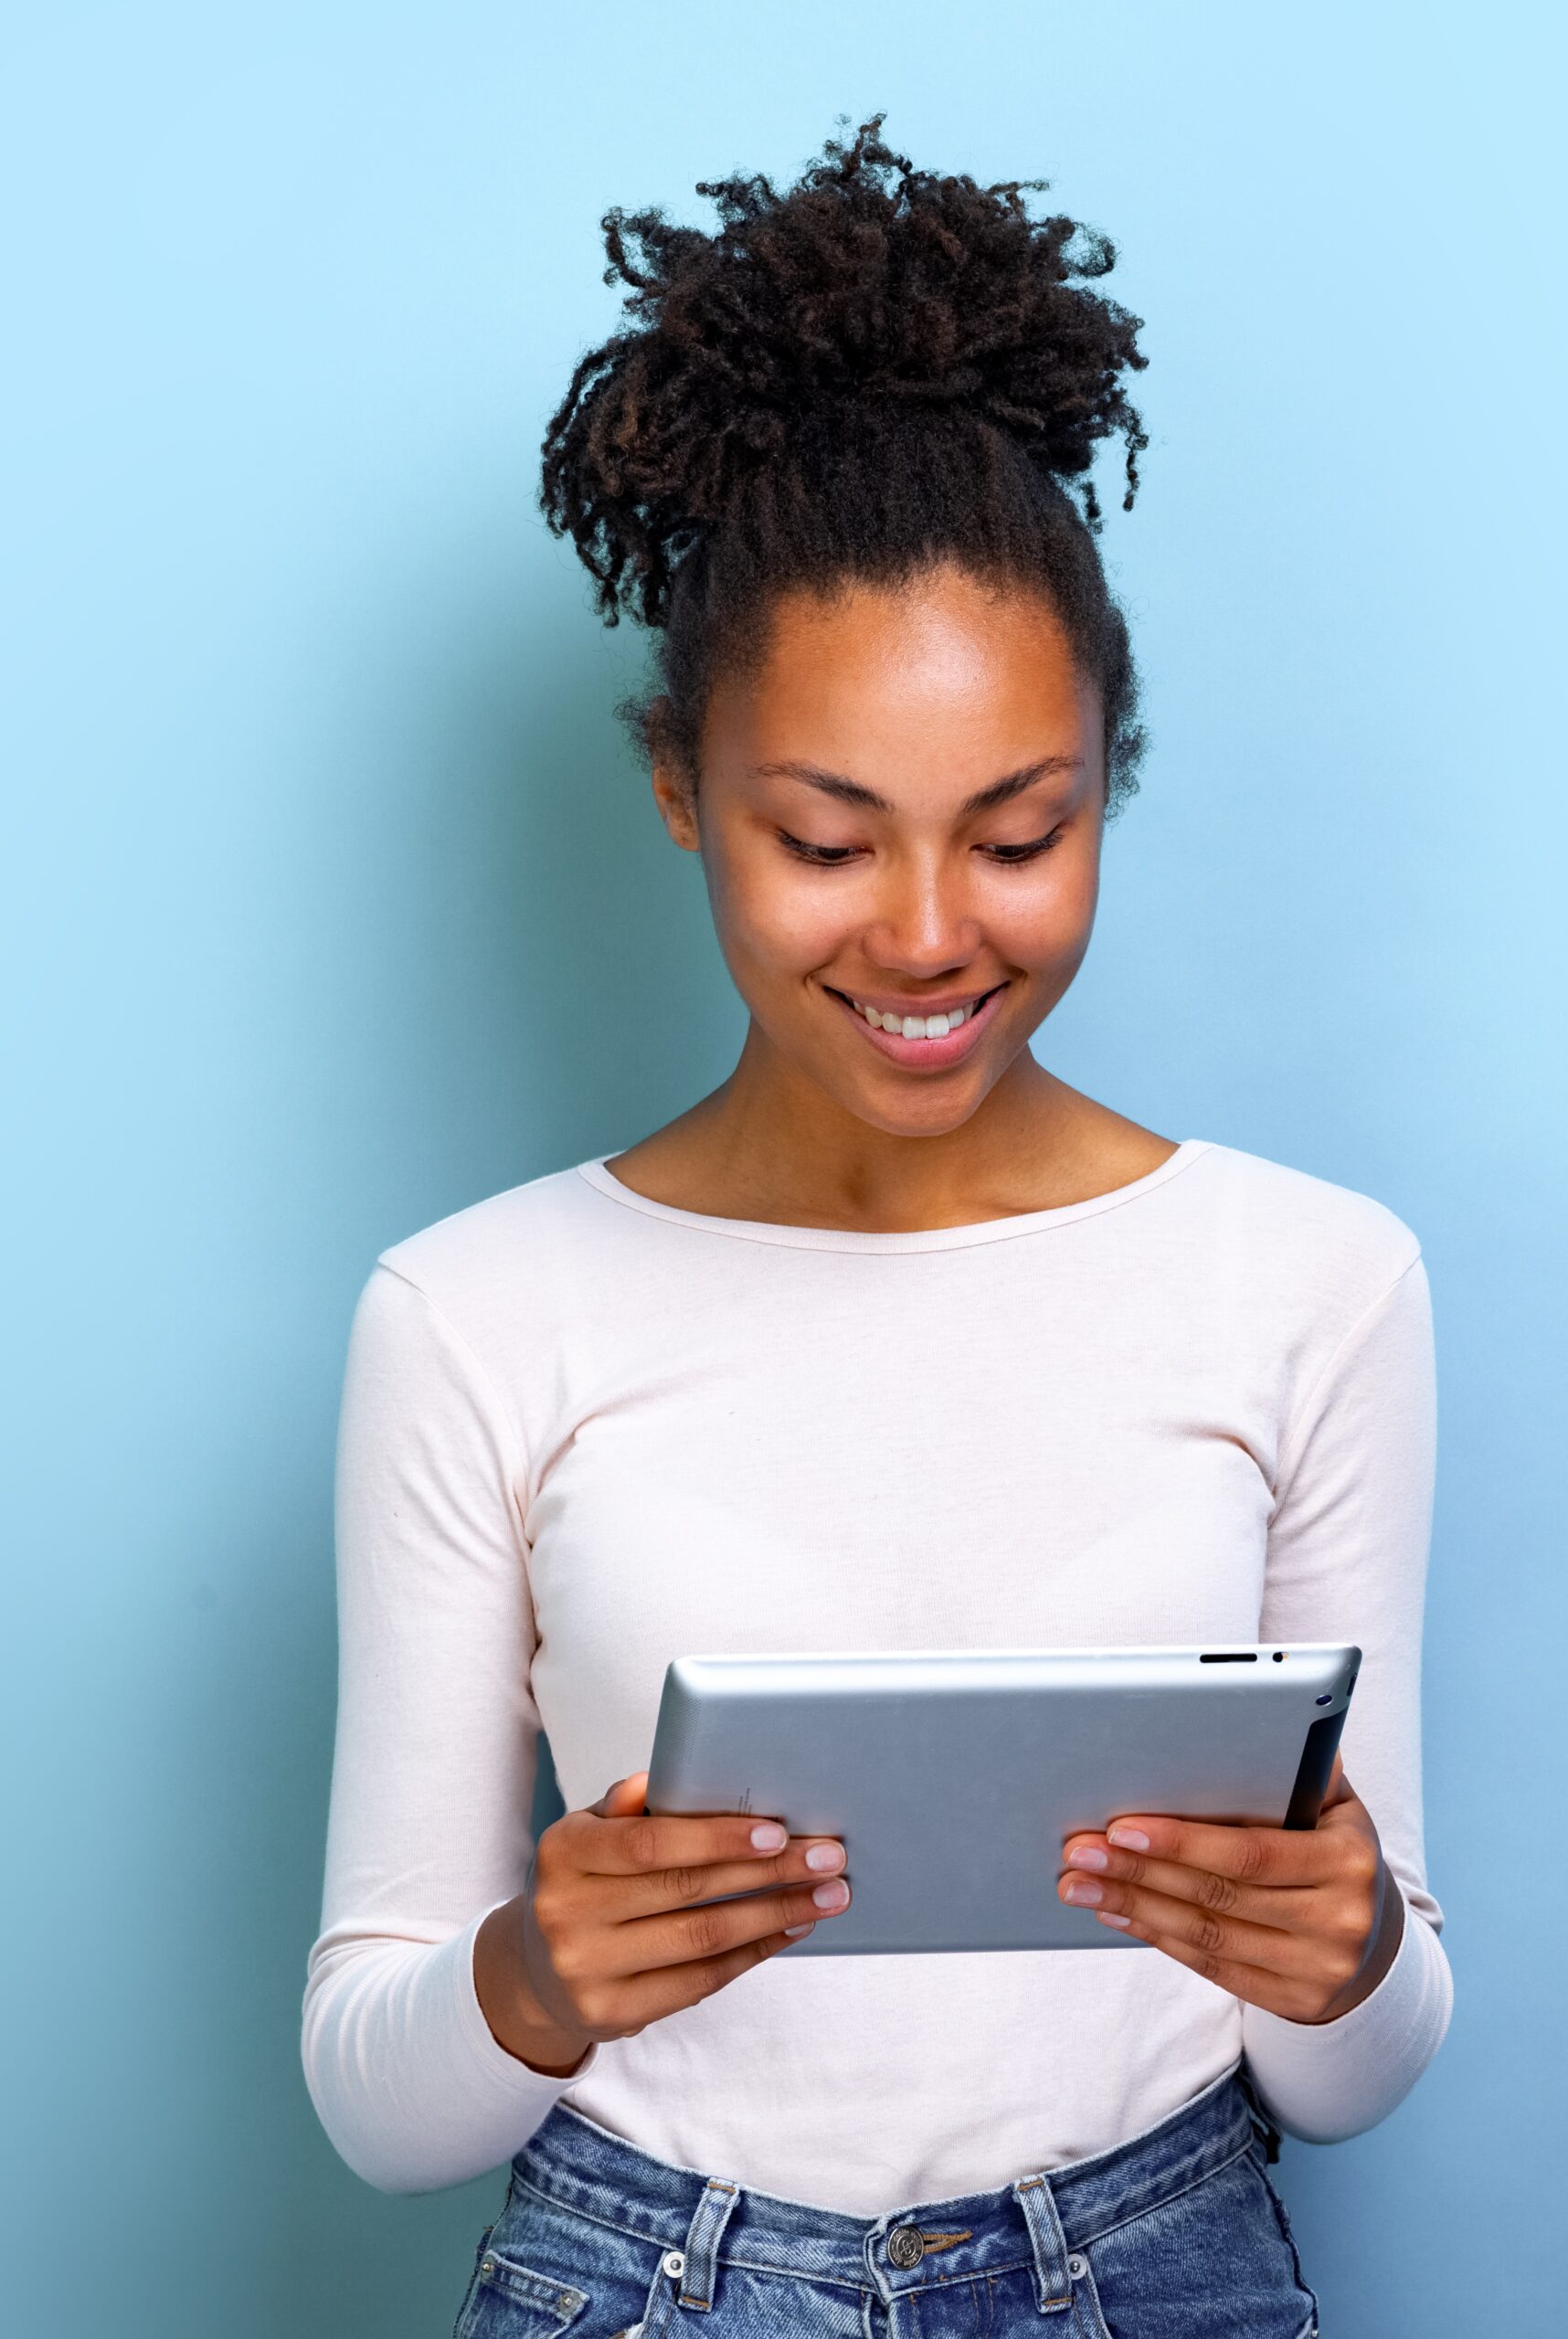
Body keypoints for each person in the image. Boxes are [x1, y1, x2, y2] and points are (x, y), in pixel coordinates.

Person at [302, 115, 1452, 2339]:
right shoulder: (472, 1314)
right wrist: (535, 1974)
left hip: (1170, 2265)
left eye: (1014, 830)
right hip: (643, 2270)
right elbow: (376, 2087)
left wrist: (1349, 1951)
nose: (929, 937)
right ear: (679, 790)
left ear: (1101, 773)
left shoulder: (1314, 1283)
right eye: (823, 838)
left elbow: (1357, 2063)